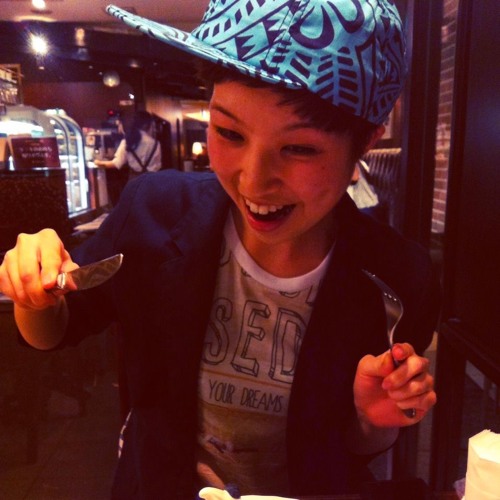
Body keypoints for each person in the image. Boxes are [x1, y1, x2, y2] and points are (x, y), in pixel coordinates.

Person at [0, 1, 441, 498]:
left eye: (299, 148)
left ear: (365, 143)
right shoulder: (154, 211)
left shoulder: (398, 279)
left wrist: (372, 420)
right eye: (229, 132)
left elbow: (355, 448)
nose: (253, 180)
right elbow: (56, 331)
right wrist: (33, 293)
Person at [94, 110, 162, 204]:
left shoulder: (128, 141)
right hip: (152, 184)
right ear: (147, 125)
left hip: (134, 184)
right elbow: (157, 166)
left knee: (134, 208)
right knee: (151, 207)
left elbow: (116, 164)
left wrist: (98, 162)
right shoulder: (156, 144)